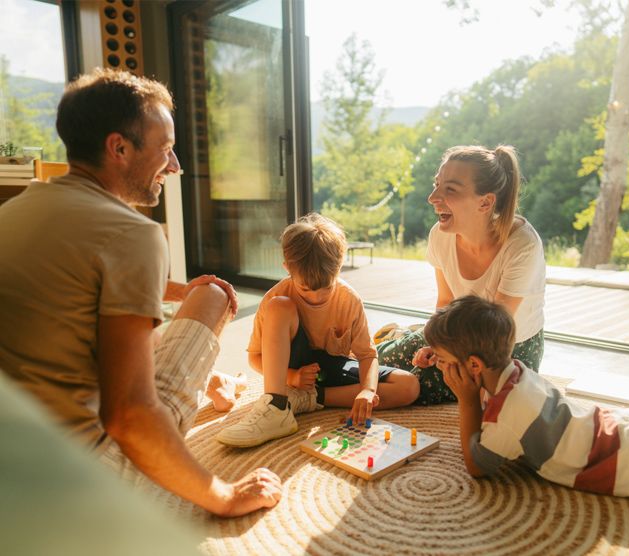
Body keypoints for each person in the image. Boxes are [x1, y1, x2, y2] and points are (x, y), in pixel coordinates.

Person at [0, 69, 281, 517]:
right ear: (120, 148)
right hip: (82, 482)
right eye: (166, 150)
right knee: (211, 295)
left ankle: (210, 382)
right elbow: (128, 417)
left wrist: (172, 290)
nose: (175, 166)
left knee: (165, 310)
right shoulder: (133, 235)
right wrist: (224, 497)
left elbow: (81, 278)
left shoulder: (14, 212)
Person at [425, 295, 629, 512]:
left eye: (443, 360)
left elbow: (477, 466)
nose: (440, 366)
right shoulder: (516, 373)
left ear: (475, 366)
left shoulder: (507, 416)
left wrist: (466, 400)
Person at [216, 213, 420, 448]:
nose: (317, 297)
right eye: (305, 289)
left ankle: (310, 400)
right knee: (279, 307)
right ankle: (276, 405)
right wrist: (291, 377)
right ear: (287, 269)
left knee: (409, 386)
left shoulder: (349, 299)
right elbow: (255, 357)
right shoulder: (275, 298)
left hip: (332, 368)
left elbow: (367, 355)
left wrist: (366, 390)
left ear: (339, 266)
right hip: (291, 369)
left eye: (326, 287)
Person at [378, 145, 546, 405]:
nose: (433, 197)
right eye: (437, 185)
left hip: (502, 350)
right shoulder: (440, 235)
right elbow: (445, 302)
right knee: (378, 359)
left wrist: (444, 354)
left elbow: (493, 332)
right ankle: (392, 342)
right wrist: (435, 344)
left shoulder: (522, 245)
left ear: (486, 202)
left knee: (413, 384)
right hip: (457, 333)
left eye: (450, 189)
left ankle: (322, 394)